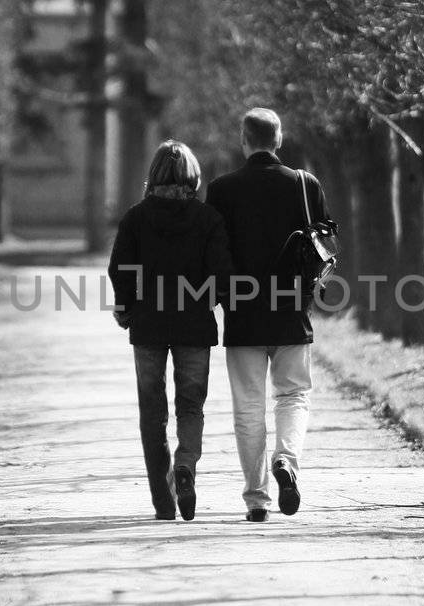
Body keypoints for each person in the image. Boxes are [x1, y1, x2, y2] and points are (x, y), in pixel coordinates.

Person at [205, 108, 331, 522]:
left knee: (247, 407)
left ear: (244, 141)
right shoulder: (303, 185)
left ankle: (257, 499)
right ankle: (287, 461)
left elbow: (214, 253)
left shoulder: (222, 190)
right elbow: (326, 242)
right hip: (291, 309)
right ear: (279, 139)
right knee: (293, 395)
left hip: (243, 314)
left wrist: (221, 296)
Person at [108, 140, 232, 522]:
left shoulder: (135, 218)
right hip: (194, 326)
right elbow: (222, 274)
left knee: (153, 412)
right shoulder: (208, 218)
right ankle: (186, 467)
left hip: (148, 325)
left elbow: (120, 269)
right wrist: (205, 302)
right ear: (192, 176)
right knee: (191, 406)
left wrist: (126, 308)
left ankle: (163, 501)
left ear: (154, 175)